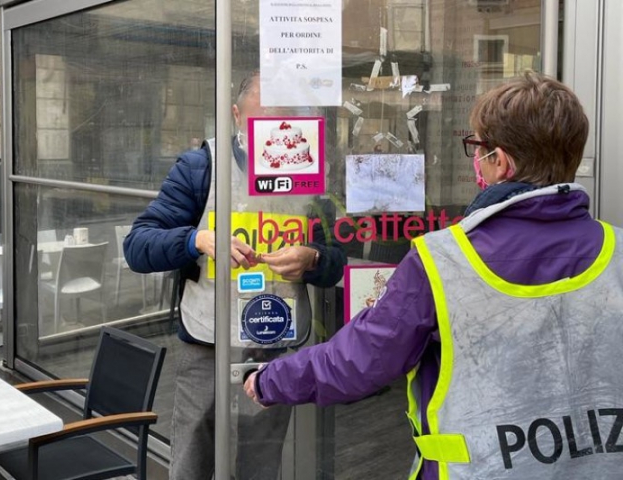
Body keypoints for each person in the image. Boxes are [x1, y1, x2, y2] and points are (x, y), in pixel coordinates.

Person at [245, 72, 623, 479]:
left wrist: (271, 380)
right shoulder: (617, 253)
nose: (475, 159)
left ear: (501, 162)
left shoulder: (442, 260)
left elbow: (361, 359)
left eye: (478, 148)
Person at [124, 71, 346, 480]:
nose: (275, 134)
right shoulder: (200, 167)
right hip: (208, 338)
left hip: (275, 345)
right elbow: (138, 246)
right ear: (235, 116)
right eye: (261, 120)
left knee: (261, 461)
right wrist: (197, 240)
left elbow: (337, 260)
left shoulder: (307, 170)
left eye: (285, 122)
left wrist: (313, 257)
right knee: (192, 456)